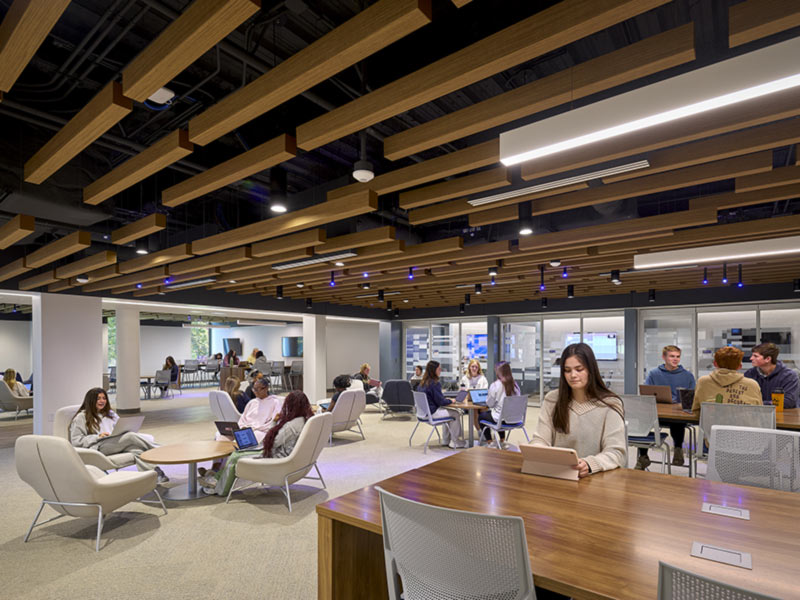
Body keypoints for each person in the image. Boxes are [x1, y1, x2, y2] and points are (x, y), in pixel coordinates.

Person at [532, 343, 626, 477]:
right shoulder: (552, 400)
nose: (573, 375)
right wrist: (537, 451)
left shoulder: (610, 404)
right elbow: (540, 440)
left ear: (590, 370)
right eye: (567, 370)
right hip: (557, 476)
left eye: (579, 369)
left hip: (595, 479)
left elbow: (616, 452)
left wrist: (589, 464)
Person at [205, 390, 314, 496]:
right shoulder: (303, 421)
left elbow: (273, 442)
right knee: (240, 452)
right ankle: (217, 477)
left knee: (236, 456)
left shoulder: (291, 426)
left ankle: (219, 488)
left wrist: (274, 423)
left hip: (277, 457)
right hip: (286, 455)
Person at [69, 387, 168, 483]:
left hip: (114, 443)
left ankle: (154, 475)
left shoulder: (110, 414)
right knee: (130, 436)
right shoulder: (81, 417)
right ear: (90, 400)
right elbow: (76, 440)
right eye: (98, 398)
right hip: (98, 447)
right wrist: (97, 437)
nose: (102, 401)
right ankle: (160, 450)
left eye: (104, 398)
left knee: (136, 449)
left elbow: (120, 427)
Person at [636, 345, 696, 470]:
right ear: (664, 357)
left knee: (678, 420)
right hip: (658, 412)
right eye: (672, 356)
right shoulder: (654, 374)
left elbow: (692, 397)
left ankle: (678, 449)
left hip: (677, 413)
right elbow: (647, 394)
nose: (675, 359)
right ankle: (643, 457)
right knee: (643, 419)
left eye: (678, 357)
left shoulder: (688, 376)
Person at [691, 346, 762, 416]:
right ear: (739, 366)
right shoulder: (752, 385)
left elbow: (696, 412)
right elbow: (760, 413)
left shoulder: (703, 382)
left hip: (711, 426)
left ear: (715, 364)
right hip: (744, 427)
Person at [417, 360, 466, 449]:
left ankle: (445, 440)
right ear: (434, 370)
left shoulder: (422, 383)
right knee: (455, 413)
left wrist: (445, 400)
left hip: (423, 414)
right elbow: (441, 402)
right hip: (432, 414)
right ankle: (455, 442)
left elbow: (437, 400)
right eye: (439, 369)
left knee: (447, 412)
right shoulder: (434, 383)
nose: (440, 371)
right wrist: (452, 401)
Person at [475, 361, 519, 447]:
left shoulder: (495, 385)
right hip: (514, 419)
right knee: (499, 414)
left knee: (481, 416)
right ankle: (502, 440)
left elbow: (490, 404)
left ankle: (490, 442)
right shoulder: (515, 385)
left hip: (501, 419)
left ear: (498, 372)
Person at [744, 342, 799, 409]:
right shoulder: (749, 374)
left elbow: (789, 402)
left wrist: (759, 404)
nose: (751, 358)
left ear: (768, 359)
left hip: (785, 415)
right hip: (757, 414)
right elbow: (745, 398)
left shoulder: (789, 376)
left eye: (755, 356)